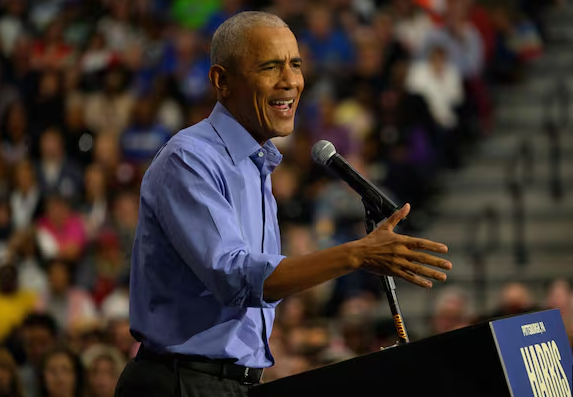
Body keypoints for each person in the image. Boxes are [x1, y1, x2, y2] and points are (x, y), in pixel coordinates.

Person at [115, 11, 452, 397]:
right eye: (270, 67)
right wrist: (356, 255)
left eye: (295, 64)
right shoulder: (190, 159)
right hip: (180, 384)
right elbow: (236, 277)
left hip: (228, 384)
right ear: (221, 81)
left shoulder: (257, 165)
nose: (290, 81)